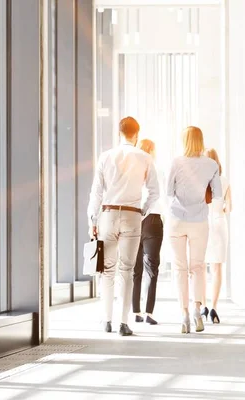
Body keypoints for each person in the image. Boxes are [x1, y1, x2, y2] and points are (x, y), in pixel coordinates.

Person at [87, 116, 159, 336]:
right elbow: (155, 191)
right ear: (136, 134)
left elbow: (96, 192)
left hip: (107, 214)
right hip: (132, 216)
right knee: (126, 270)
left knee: (107, 271)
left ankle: (106, 320)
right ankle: (123, 323)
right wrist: (143, 210)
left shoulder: (106, 156)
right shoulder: (145, 157)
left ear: (119, 133)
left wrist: (92, 220)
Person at [166, 126, 221, 333]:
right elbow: (217, 194)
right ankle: (198, 311)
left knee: (180, 268)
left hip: (177, 220)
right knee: (197, 268)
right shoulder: (211, 164)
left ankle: (184, 315)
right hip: (200, 221)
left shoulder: (176, 162)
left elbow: (168, 191)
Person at [132, 139, 165, 325]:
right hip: (152, 218)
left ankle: (135, 311)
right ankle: (149, 313)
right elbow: (160, 195)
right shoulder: (156, 168)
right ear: (152, 150)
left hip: (135, 219)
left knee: (135, 269)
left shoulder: (131, 169)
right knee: (151, 269)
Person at [201, 148, 232, 324]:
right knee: (217, 268)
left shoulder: (201, 182)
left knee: (201, 268)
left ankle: (203, 305)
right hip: (220, 224)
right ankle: (214, 307)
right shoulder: (225, 181)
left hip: (204, 224)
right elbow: (229, 208)